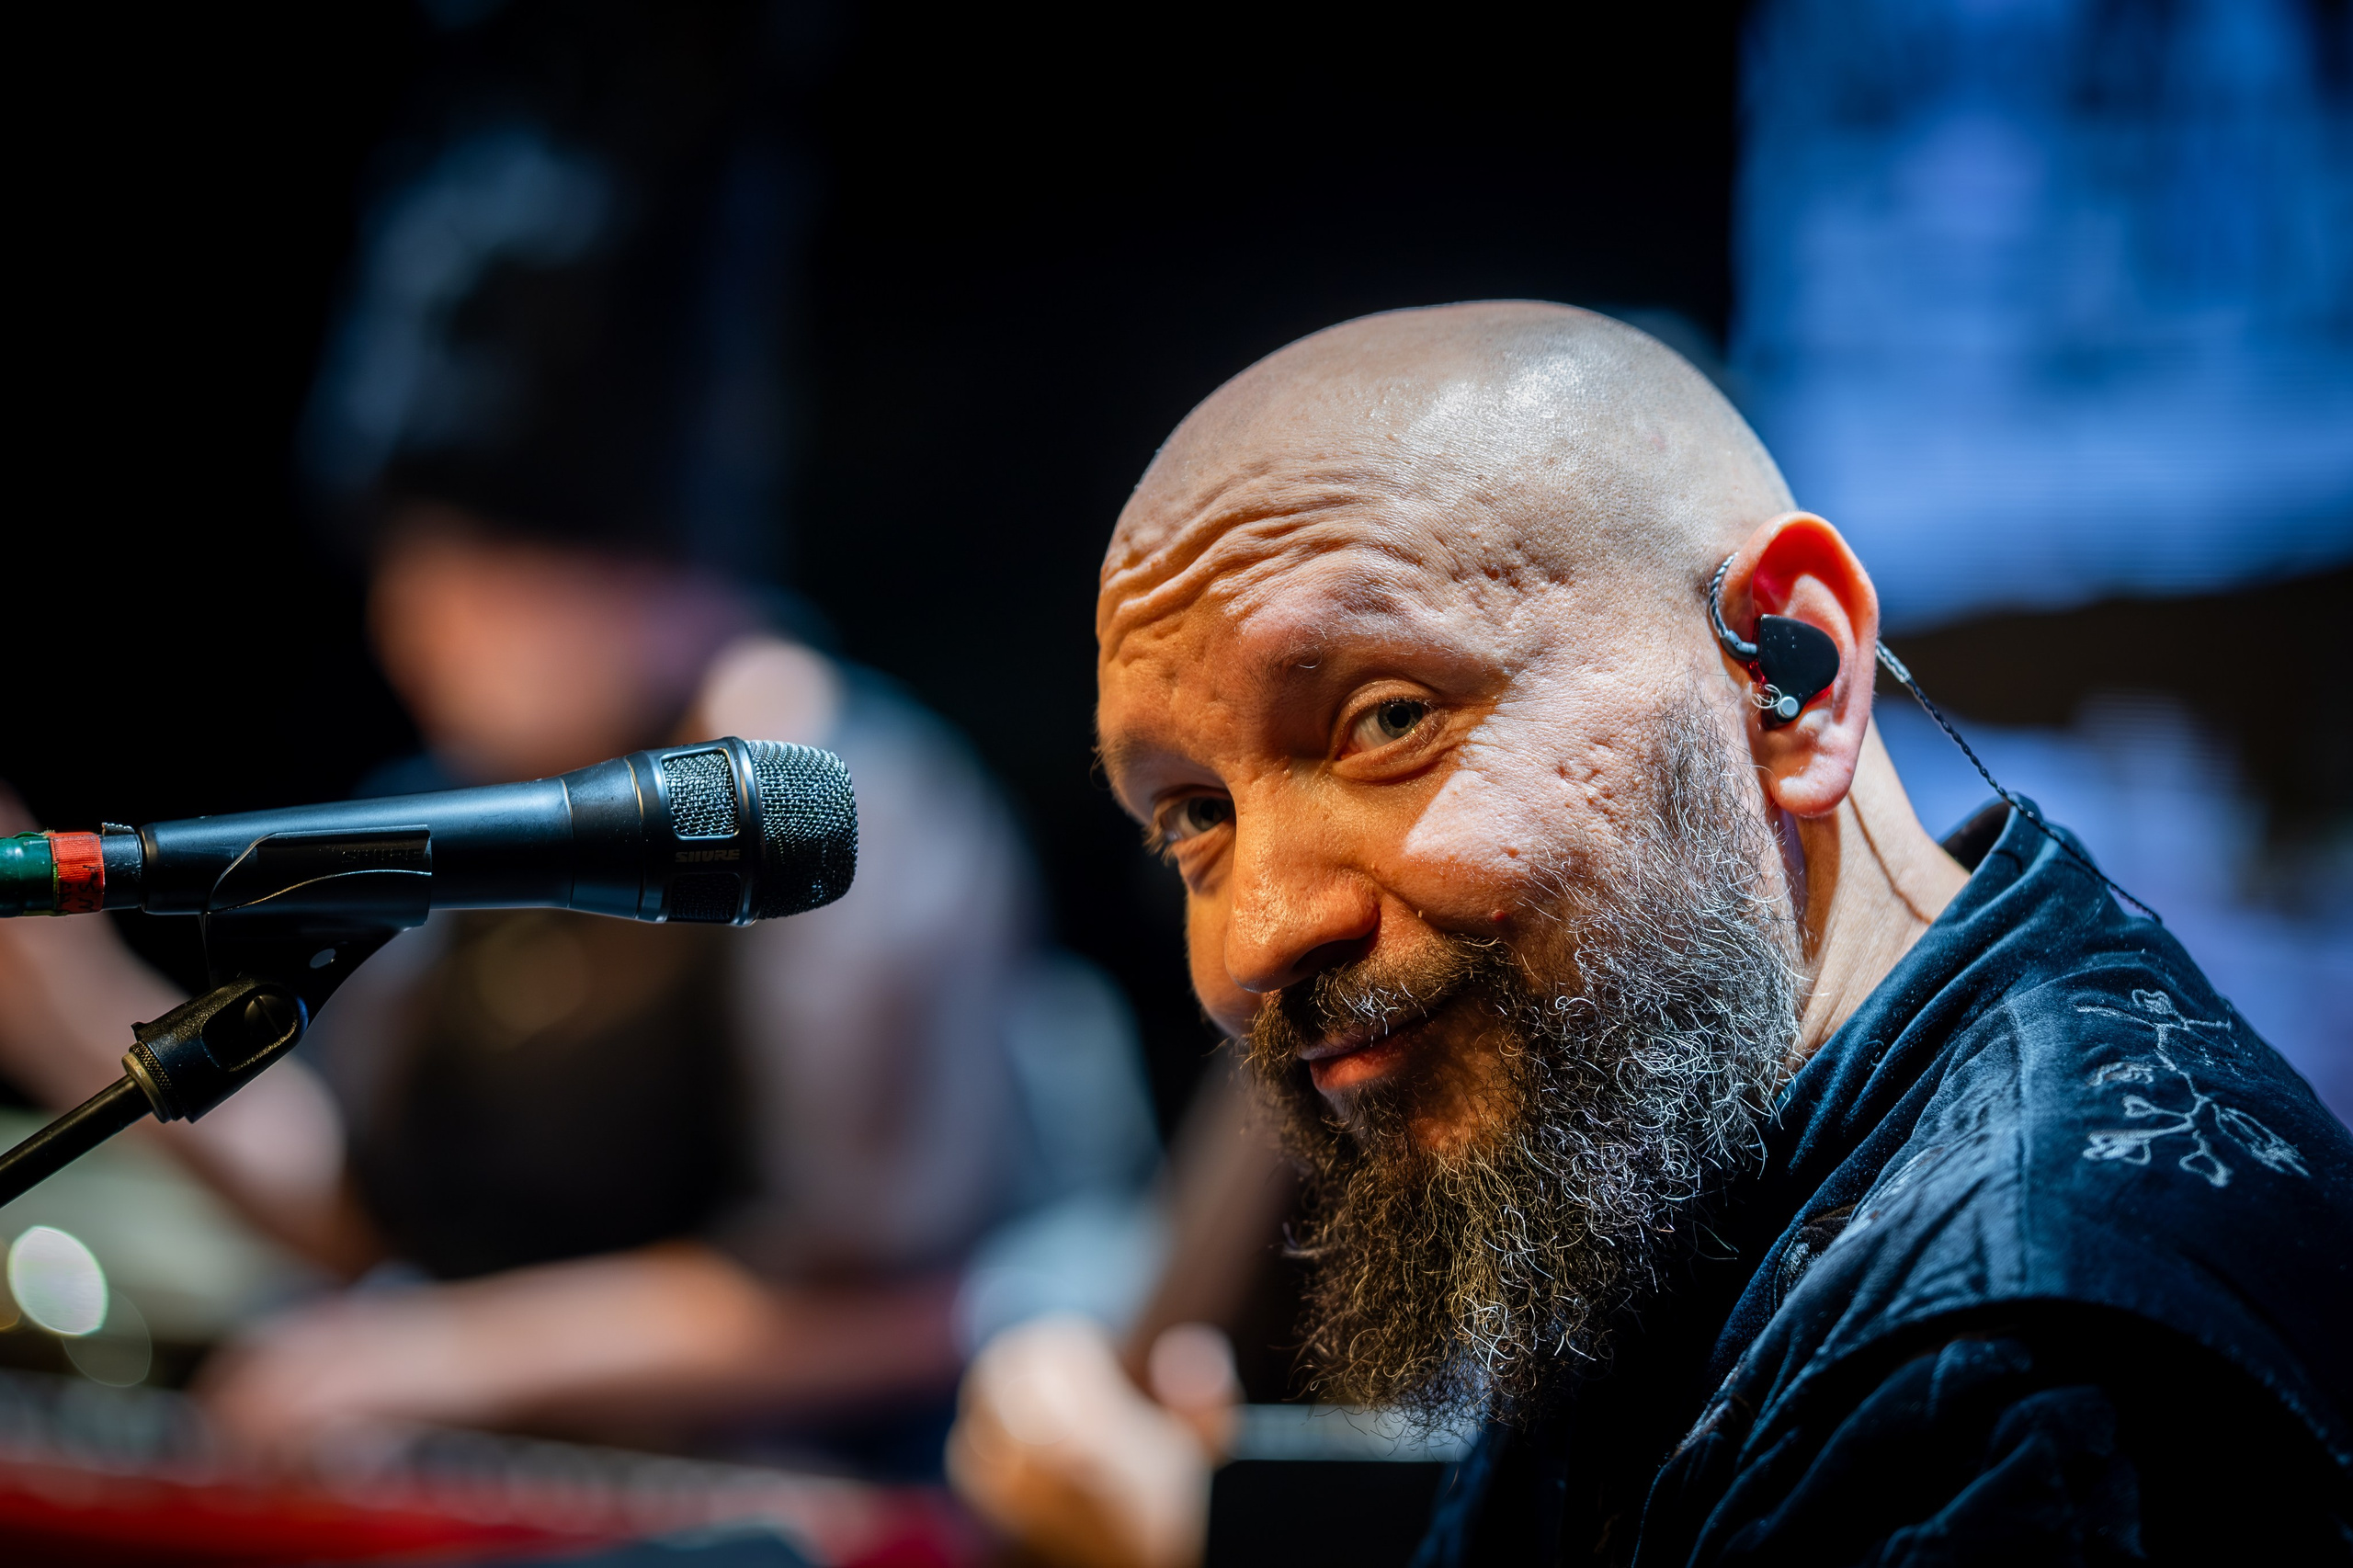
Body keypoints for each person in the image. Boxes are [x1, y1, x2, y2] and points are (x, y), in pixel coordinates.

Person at [953, 302, 2351, 1562]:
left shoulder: (2023, 1386)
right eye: (1194, 815)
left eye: (1389, 718)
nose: (1255, 936)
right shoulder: (1672, 1122)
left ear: (1789, 676)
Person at [0, 506, 1154, 1464]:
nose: (414, 619)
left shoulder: (841, 808)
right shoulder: (457, 801)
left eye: (474, 563)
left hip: (798, 1494)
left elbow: (908, 1297)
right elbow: (366, 1216)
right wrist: (55, 985)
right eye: (407, 562)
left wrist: (442, 1356)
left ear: (650, 564)